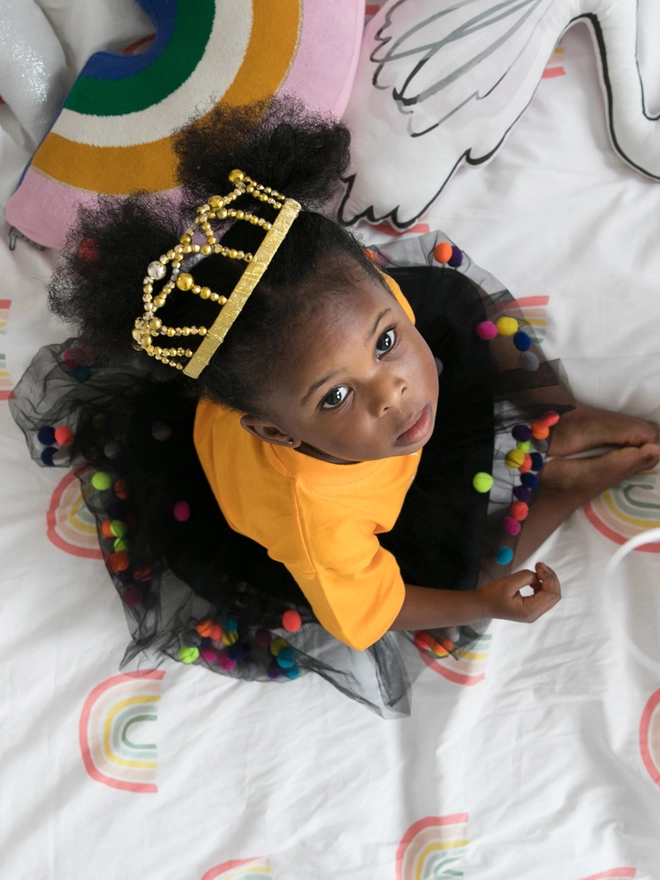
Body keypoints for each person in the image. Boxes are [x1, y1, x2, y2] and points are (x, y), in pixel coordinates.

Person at [11, 98, 660, 716]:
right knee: (468, 557)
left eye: (384, 340)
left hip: (369, 449)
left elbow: (377, 346)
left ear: (381, 289)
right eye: (337, 395)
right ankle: (558, 486)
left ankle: (549, 429)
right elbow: (377, 608)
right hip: (354, 512)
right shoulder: (313, 521)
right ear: (276, 431)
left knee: (458, 324)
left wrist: (370, 362)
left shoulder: (384, 328)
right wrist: (483, 603)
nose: (392, 392)